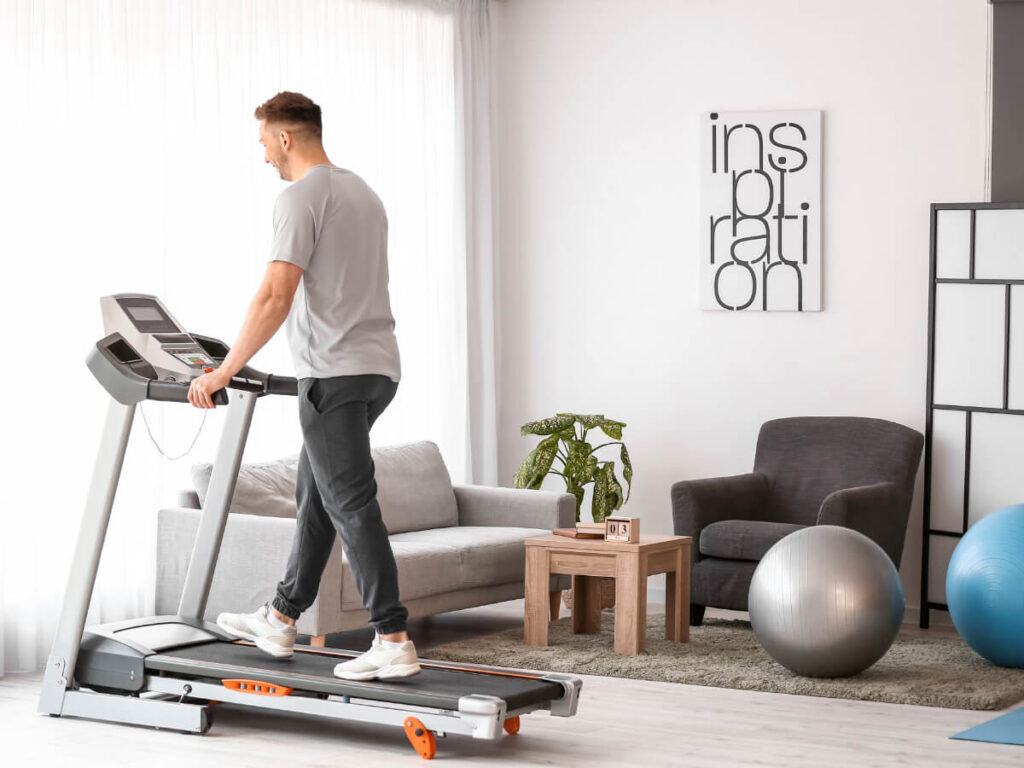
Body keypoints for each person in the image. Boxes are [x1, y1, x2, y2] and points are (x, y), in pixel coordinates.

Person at [186, 91, 420, 681]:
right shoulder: (363, 192)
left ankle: (391, 636)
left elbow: (274, 295)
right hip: (377, 370)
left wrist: (223, 370)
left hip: (333, 375)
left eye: (264, 142)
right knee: (314, 495)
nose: (263, 155)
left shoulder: (299, 197)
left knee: (349, 502)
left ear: (286, 138)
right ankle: (282, 615)